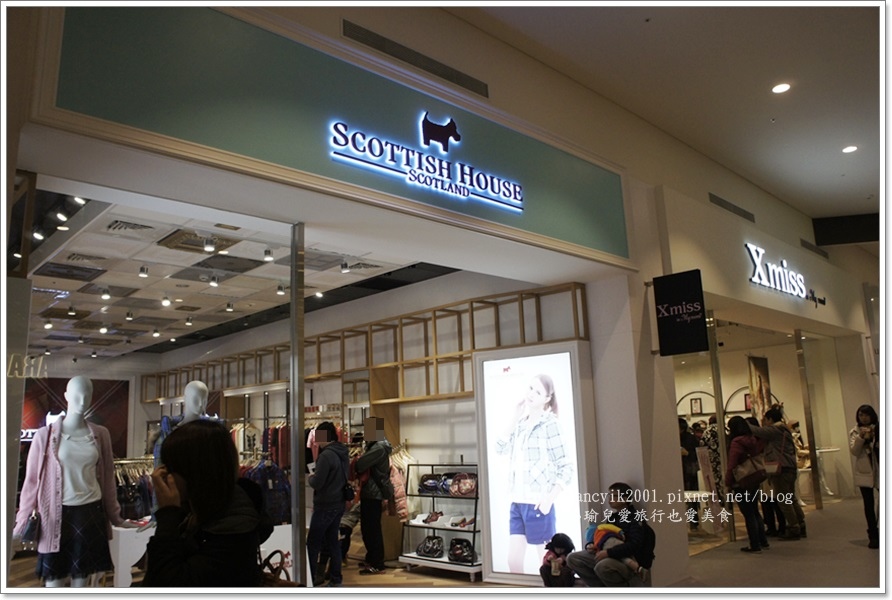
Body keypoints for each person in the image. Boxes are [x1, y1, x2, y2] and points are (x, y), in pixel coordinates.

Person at [14, 376, 135, 587]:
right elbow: (31, 483)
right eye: (77, 395)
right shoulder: (45, 436)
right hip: (56, 516)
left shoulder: (101, 435)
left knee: (82, 581)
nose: (82, 401)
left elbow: (108, 479)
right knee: (55, 581)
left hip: (91, 513)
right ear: (66, 396)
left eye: (87, 395)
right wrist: (22, 522)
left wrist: (116, 517)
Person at [142, 419, 273, 587]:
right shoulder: (197, 513)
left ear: (194, 472)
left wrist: (168, 515)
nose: (165, 476)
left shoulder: (233, 528)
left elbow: (166, 583)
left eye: (171, 468)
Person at [496, 374, 574, 574]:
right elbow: (500, 448)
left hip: (539, 504)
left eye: (538, 392)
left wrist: (549, 499)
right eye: (531, 388)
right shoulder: (520, 424)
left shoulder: (550, 424)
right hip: (517, 503)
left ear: (547, 398)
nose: (531, 394)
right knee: (513, 561)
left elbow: (566, 466)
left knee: (548, 563)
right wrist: (515, 415)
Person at [567, 482, 655, 587]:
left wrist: (609, 552)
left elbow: (634, 545)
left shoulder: (635, 517)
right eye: (609, 495)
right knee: (572, 558)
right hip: (610, 555)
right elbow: (604, 536)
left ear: (625, 499)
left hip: (630, 560)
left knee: (603, 566)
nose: (610, 499)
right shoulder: (613, 518)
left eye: (614, 496)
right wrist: (593, 545)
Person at [749, 407, 806, 540]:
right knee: (791, 498)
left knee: (783, 500)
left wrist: (743, 424)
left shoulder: (776, 430)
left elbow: (757, 431)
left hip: (781, 470)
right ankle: (801, 524)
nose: (764, 423)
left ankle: (794, 528)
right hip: (790, 468)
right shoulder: (784, 430)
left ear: (770, 419)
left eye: (765, 420)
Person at [307, 421, 349, 587]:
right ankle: (336, 579)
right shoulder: (342, 452)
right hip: (338, 502)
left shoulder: (326, 456)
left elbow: (318, 482)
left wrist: (311, 478)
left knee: (313, 544)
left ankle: (309, 579)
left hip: (325, 504)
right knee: (333, 542)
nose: (316, 441)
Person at [725, 416, 769, 553]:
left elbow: (732, 464)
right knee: (755, 511)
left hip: (742, 481)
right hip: (754, 478)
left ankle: (754, 545)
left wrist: (728, 482)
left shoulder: (736, 442)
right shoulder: (752, 439)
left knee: (748, 513)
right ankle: (763, 541)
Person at [355, 416, 393, 575]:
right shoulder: (375, 445)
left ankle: (377, 563)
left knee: (372, 529)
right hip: (371, 492)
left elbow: (360, 464)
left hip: (373, 492)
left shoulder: (378, 447)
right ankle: (371, 558)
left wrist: (358, 460)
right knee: (368, 528)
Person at [849, 404, 879, 549]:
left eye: (866, 415)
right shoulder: (854, 431)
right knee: (868, 505)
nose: (864, 418)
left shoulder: (879, 428)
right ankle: (873, 535)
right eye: (861, 415)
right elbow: (854, 451)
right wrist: (861, 437)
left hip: (879, 470)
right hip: (864, 472)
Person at [678, 418, 701, 531]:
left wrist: (686, 453)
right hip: (679, 472)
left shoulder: (690, 439)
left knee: (691, 498)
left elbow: (697, 455)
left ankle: (693, 522)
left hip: (689, 473)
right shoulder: (672, 438)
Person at [701, 415, 725, 504]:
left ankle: (716, 500)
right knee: (724, 479)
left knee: (714, 481)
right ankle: (726, 500)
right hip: (724, 459)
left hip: (712, 460)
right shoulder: (723, 429)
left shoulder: (707, 432)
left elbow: (702, 445)